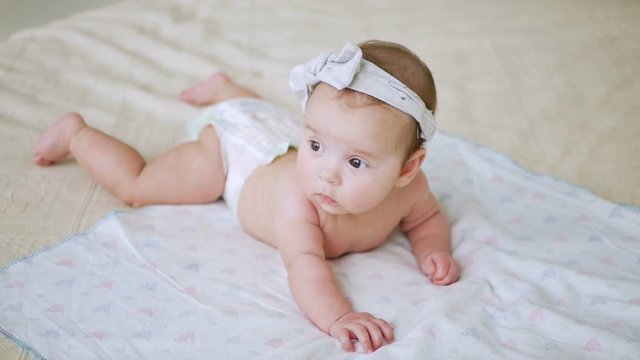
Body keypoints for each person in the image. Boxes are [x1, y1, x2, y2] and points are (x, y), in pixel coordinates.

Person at [32, 40, 461, 353]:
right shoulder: (300, 198)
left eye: (355, 163)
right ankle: (77, 134)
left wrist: (432, 251)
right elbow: (304, 266)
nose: (326, 174)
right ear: (307, 129)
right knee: (140, 186)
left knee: (272, 121)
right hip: (234, 155)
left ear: (407, 169)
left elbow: (426, 220)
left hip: (269, 127)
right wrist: (338, 317)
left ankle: (226, 88)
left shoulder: (411, 191)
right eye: (316, 145)